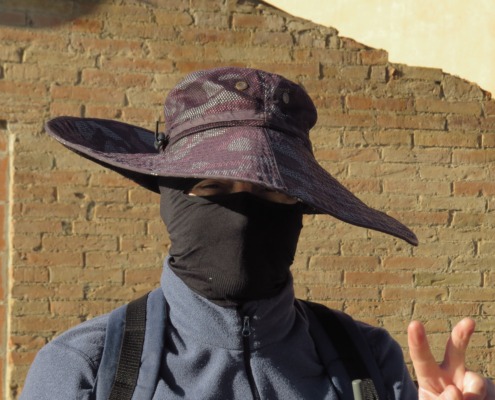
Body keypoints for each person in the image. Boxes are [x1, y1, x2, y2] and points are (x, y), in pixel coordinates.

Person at [21, 67, 493, 399]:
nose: (243, 218)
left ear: (300, 211)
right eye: (212, 188)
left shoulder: (368, 362)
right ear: (170, 200)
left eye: (272, 194)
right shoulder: (85, 369)